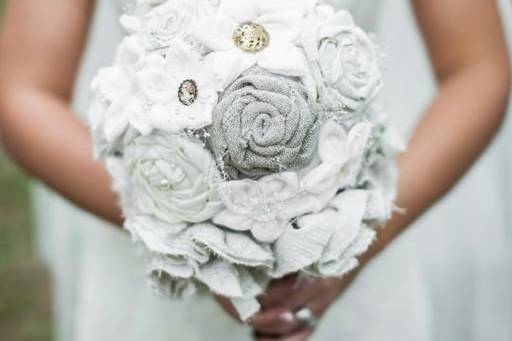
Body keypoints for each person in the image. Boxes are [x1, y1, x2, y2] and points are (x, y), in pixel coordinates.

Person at [0, 0, 510, 340]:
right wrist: (188, 231)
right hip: (155, 274)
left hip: (354, 257)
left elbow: (476, 66)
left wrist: (356, 236)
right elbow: (22, 90)